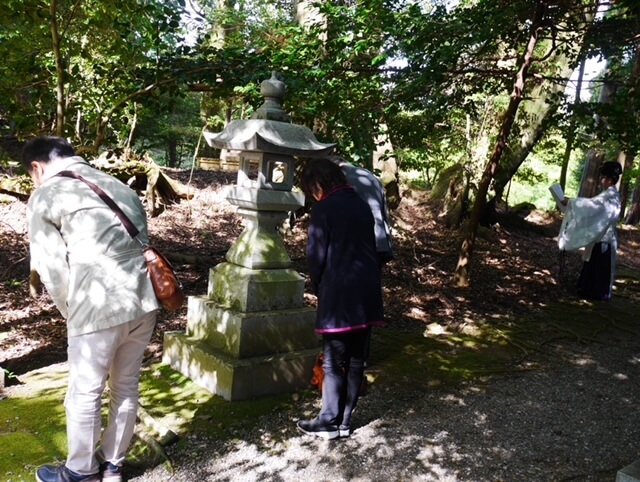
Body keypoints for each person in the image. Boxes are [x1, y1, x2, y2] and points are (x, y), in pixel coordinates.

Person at [21, 136, 161, 482]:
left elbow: (52, 267)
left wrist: (71, 311)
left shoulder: (47, 194)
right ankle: (113, 466)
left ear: (36, 167)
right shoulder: (118, 186)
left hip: (96, 301)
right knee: (125, 386)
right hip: (144, 298)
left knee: (85, 391)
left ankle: (81, 471)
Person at [296, 158, 384, 440]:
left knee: (334, 362)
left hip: (340, 292)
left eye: (311, 190)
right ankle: (345, 422)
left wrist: (320, 287)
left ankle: (328, 422)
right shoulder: (361, 204)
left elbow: (316, 257)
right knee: (356, 360)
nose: (313, 196)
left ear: (317, 184)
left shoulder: (324, 209)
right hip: (368, 290)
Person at [558, 161, 622, 300]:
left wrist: (571, 202)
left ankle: (596, 292)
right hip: (602, 237)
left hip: (604, 238)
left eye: (603, 177)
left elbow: (592, 207)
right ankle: (589, 289)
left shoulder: (610, 196)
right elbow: (593, 206)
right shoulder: (609, 195)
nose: (601, 180)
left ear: (609, 179)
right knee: (594, 263)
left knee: (599, 265)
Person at [329, 156, 394, 265]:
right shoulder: (368, 175)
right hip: (378, 240)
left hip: (355, 244)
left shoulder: (342, 178)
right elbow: (383, 209)